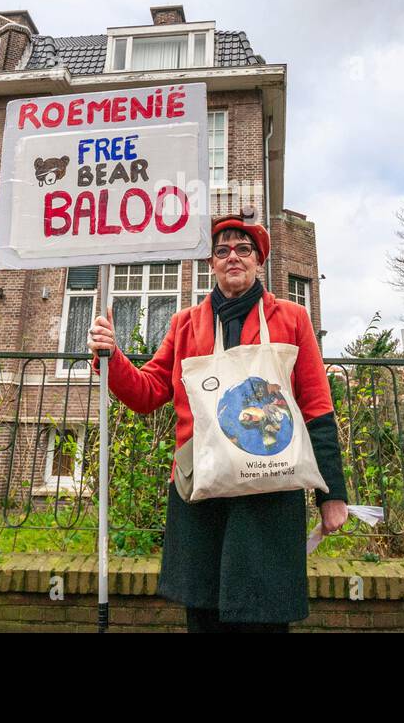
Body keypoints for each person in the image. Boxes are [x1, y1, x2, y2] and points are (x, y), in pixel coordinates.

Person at [87, 214, 348, 632]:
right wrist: (112, 357)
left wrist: (331, 494)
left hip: (270, 485)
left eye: (243, 250)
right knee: (203, 614)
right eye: (222, 250)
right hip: (202, 490)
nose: (233, 257)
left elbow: (317, 407)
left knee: (264, 617)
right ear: (211, 262)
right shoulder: (185, 324)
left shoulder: (292, 319)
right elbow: (148, 391)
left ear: (259, 261)